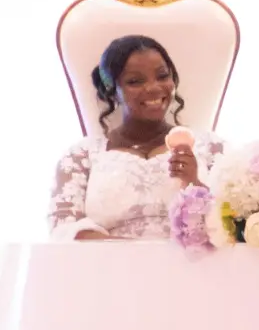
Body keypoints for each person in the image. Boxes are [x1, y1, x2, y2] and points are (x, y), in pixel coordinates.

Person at [50, 35, 220, 240]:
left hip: (197, 268)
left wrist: (195, 184)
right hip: (107, 269)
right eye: (135, 81)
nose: (153, 87)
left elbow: (233, 224)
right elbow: (64, 230)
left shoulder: (211, 148)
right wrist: (138, 259)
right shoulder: (82, 157)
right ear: (112, 91)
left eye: (162, 76)